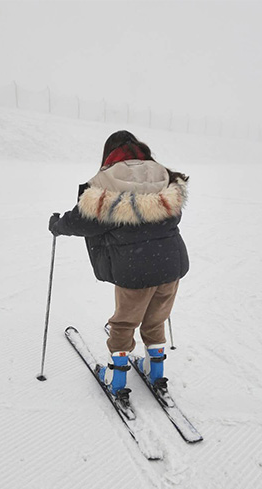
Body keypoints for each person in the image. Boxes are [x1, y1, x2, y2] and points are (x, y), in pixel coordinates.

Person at [49, 130, 189, 400]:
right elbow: (174, 217)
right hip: (171, 265)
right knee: (156, 317)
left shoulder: (107, 182)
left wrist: (58, 225)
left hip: (134, 270)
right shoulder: (164, 176)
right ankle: (156, 372)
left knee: (124, 323)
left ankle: (117, 378)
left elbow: (83, 221)